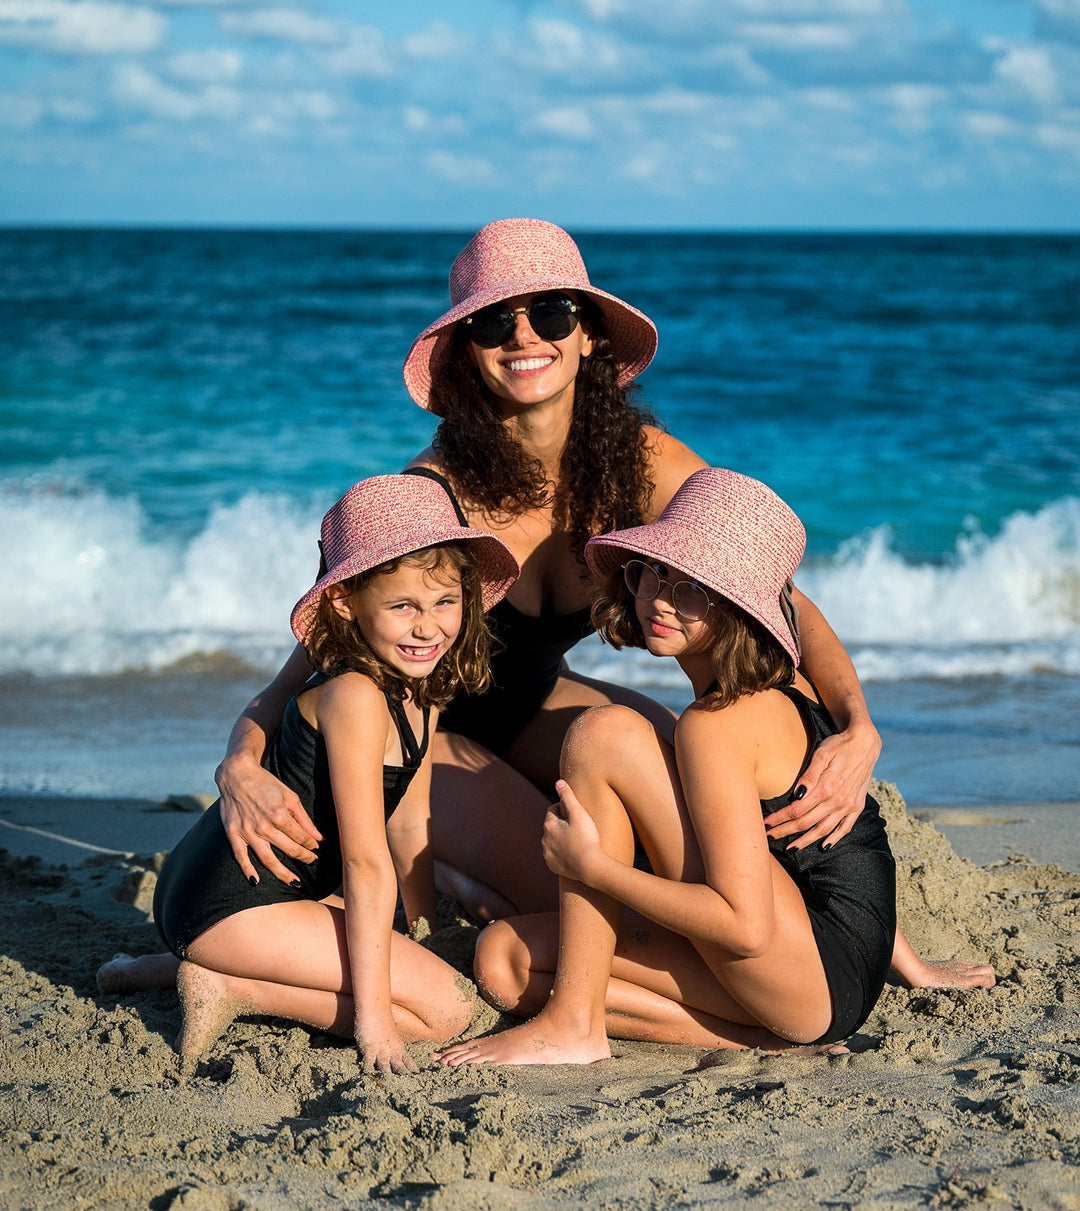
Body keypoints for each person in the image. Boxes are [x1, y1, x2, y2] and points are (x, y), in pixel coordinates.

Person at [194, 218, 991, 989]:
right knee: (607, 911)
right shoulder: (432, 495)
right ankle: (448, 894)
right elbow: (312, 659)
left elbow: (771, 594)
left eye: (549, 311)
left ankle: (872, 941)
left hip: (533, 707)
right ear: (466, 354)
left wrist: (858, 726)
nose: (524, 336)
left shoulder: (640, 463)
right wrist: (239, 761)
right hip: (429, 742)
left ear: (588, 335)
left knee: (690, 756)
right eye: (494, 323)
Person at [436, 468, 897, 1066]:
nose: (658, 598)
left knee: (604, 732)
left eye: (692, 589)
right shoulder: (783, 683)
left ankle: (576, 1023)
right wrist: (901, 958)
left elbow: (744, 927)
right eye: (654, 569)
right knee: (505, 960)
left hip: (808, 972)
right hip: (832, 971)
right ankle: (750, 1038)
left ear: (739, 608)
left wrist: (595, 869)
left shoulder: (719, 723)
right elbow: (848, 857)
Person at [100, 475, 519, 1072]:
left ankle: (164, 970)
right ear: (347, 601)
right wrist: (372, 1024)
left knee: (414, 977)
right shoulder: (356, 693)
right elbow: (366, 862)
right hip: (230, 908)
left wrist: (419, 923)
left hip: (229, 892)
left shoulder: (417, 676)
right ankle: (233, 986)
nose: (428, 627)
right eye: (403, 606)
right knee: (446, 1014)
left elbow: (400, 819)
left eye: (444, 602)